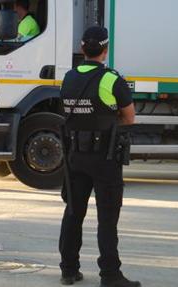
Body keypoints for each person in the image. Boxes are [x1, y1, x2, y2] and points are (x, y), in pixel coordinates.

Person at [58, 26, 139, 287]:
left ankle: (68, 270)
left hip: (75, 156)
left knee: (73, 212)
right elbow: (129, 117)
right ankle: (110, 275)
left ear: (82, 49)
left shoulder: (68, 78)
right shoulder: (112, 79)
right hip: (105, 158)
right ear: (106, 50)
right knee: (107, 218)